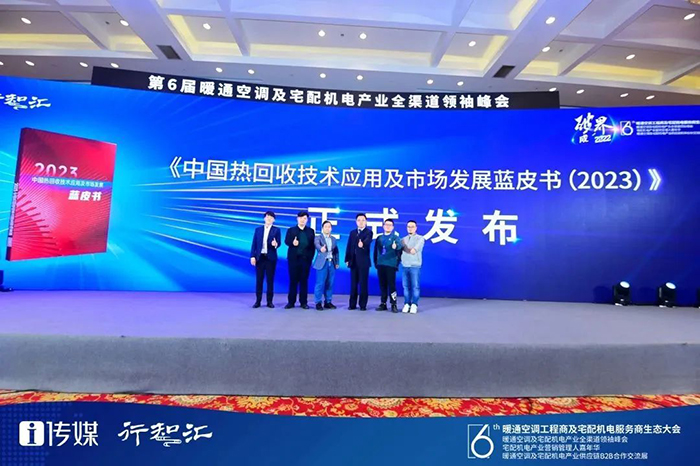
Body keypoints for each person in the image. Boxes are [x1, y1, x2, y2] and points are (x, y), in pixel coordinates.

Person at [249, 211, 281, 308]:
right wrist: (252, 256)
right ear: (264, 218)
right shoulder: (258, 230)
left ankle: (269, 301)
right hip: (260, 257)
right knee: (259, 280)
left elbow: (279, 243)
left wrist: (275, 244)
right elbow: (254, 244)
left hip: (270, 258)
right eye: (267, 217)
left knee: (270, 280)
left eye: (271, 217)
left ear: (274, 220)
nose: (269, 218)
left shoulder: (276, 230)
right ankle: (258, 301)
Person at [285, 211, 315, 309]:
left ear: (307, 220)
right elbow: (286, 241)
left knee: (304, 281)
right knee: (293, 280)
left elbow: (312, 247)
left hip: (305, 260)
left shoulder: (310, 231)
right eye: (301, 218)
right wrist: (292, 243)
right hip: (294, 260)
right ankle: (291, 302)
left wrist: (310, 258)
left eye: (305, 218)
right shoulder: (291, 230)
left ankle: (303, 302)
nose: (302, 220)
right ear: (297, 219)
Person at [345, 213, 373, 310]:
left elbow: (368, 241)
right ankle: (352, 304)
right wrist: (347, 259)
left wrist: (363, 244)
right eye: (359, 220)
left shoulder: (368, 232)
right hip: (353, 262)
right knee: (353, 284)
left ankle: (363, 305)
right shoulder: (353, 232)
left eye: (363, 220)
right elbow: (349, 246)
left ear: (366, 221)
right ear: (356, 222)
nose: (361, 222)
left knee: (363, 284)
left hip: (364, 262)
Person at [373, 219, 402, 313]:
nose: (388, 226)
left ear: (393, 227)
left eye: (390, 225)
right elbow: (375, 251)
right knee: (382, 285)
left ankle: (393, 304)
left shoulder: (395, 237)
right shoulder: (379, 238)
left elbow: (399, 246)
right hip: (381, 264)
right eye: (386, 224)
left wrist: (396, 246)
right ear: (383, 226)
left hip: (391, 264)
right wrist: (376, 262)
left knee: (392, 285)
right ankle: (383, 303)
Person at [313, 220, 340, 311]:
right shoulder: (318, 237)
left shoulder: (333, 239)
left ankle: (328, 302)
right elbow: (317, 245)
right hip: (322, 263)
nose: (327, 228)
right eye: (326, 227)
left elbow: (336, 252)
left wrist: (337, 262)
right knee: (320, 283)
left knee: (330, 283)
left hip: (331, 263)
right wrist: (321, 248)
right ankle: (318, 302)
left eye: (329, 227)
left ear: (331, 228)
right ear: (322, 228)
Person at [401, 220, 425, 314]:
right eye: (408, 227)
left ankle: (414, 304)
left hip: (415, 266)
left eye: (412, 226)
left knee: (415, 286)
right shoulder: (403, 239)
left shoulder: (420, 239)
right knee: (406, 286)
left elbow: (413, 251)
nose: (410, 228)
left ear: (416, 228)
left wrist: (405, 248)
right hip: (405, 265)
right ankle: (407, 303)